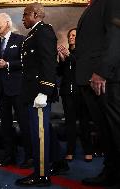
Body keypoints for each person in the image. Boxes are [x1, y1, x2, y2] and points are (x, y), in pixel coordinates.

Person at [75, 0, 120, 186]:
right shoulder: (95, 5)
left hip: (105, 79)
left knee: (115, 130)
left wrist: (102, 71)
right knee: (105, 131)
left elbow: (116, 36)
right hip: (90, 78)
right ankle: (112, 171)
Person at [0, 12, 33, 168]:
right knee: (6, 125)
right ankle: (10, 155)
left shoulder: (21, 40)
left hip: (18, 89)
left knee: (24, 123)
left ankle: (29, 157)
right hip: (1, 90)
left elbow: (27, 62)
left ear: (8, 23)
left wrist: (8, 64)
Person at [15, 3, 58, 186]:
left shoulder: (44, 31)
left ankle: (41, 175)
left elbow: (48, 63)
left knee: (39, 134)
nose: (23, 18)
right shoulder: (33, 33)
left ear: (34, 14)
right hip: (32, 92)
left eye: (25, 15)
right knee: (38, 132)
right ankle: (55, 163)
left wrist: (45, 91)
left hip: (39, 93)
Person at [57, 28, 93, 162]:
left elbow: (83, 68)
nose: (71, 37)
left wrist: (69, 57)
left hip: (82, 92)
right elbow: (60, 73)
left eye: (74, 35)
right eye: (70, 35)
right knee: (70, 123)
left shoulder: (84, 52)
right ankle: (70, 151)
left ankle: (88, 151)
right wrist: (61, 60)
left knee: (84, 123)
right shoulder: (66, 53)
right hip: (67, 92)